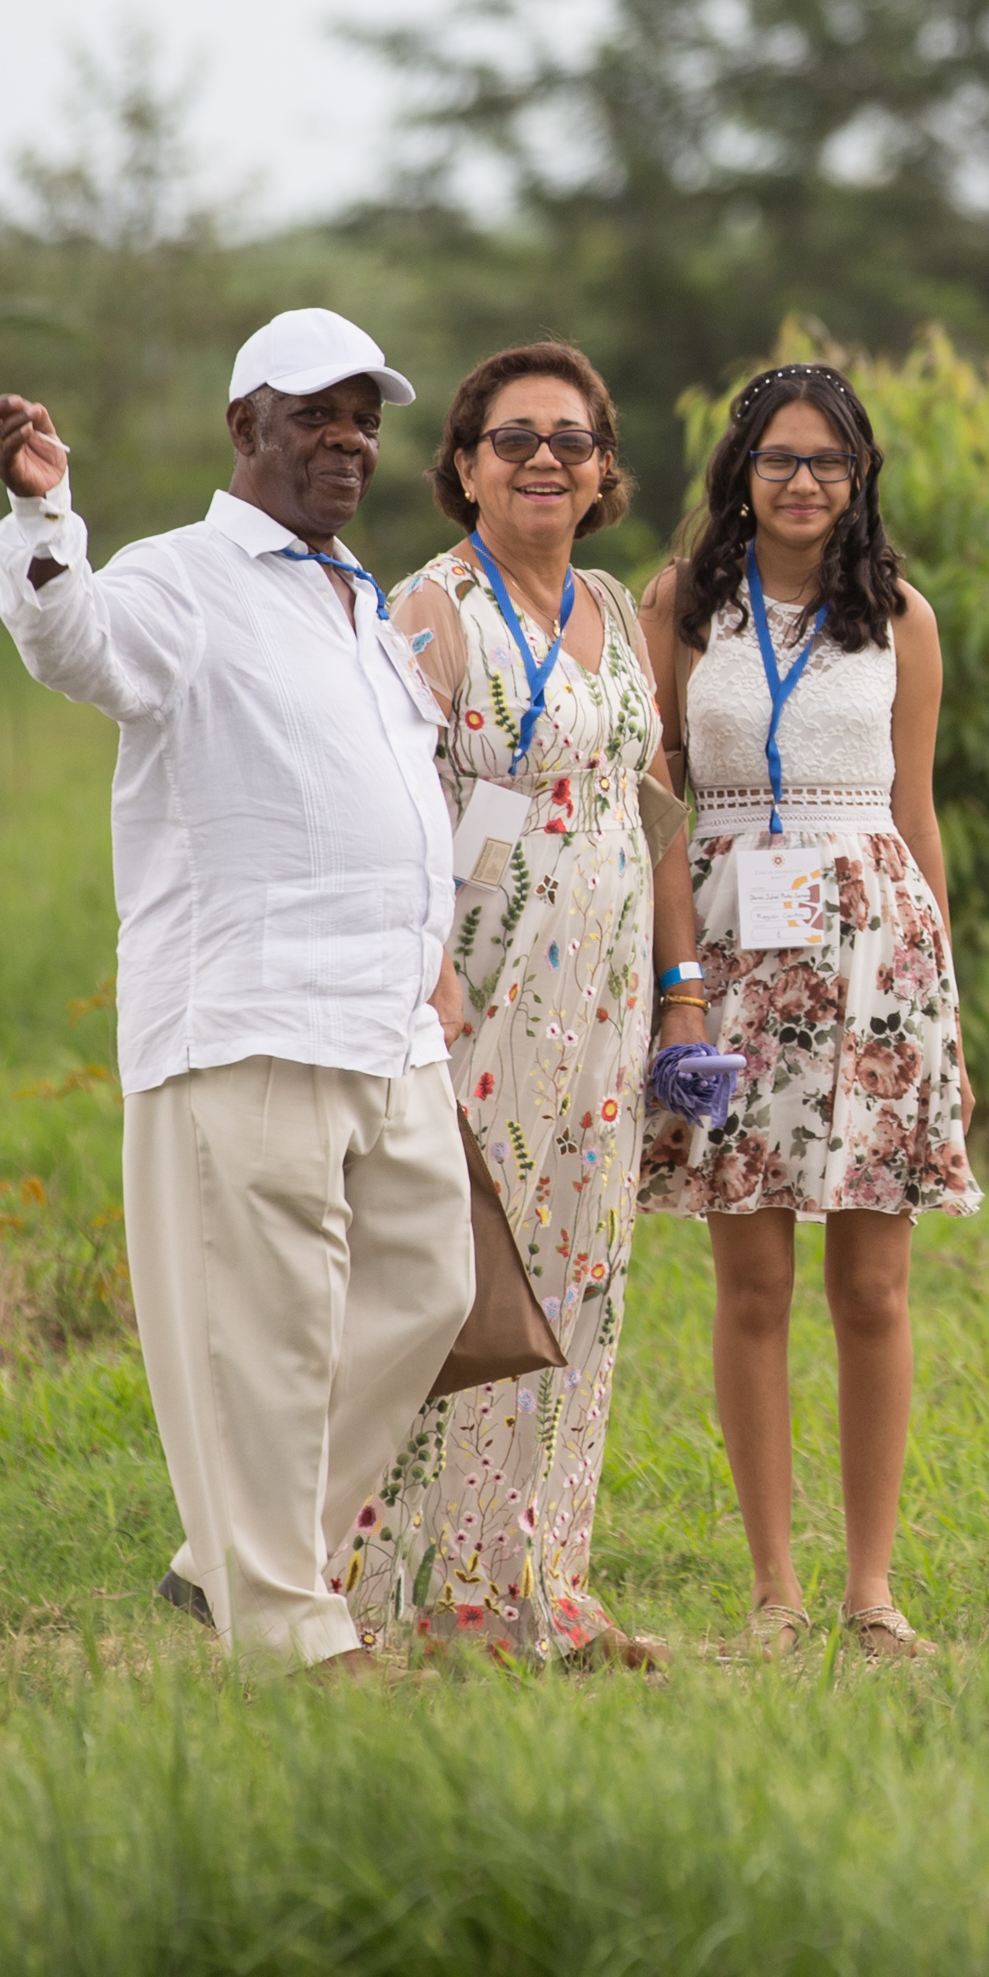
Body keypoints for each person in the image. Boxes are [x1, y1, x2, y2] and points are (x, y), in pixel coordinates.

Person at [0, 309, 472, 1676]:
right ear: (246, 424)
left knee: (429, 1288)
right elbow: (76, 640)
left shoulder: (356, 593)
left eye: (366, 415)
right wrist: (44, 514)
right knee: (262, 1336)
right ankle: (290, 1632)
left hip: (388, 1019)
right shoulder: (182, 576)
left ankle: (227, 1561)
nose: (350, 438)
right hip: (249, 1018)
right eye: (321, 411)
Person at [338, 342, 719, 1670]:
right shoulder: (429, 611)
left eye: (570, 437)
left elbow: (653, 810)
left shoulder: (617, 610)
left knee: (580, 1281)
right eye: (513, 438)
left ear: (607, 467)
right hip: (475, 991)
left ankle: (544, 1581)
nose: (544, 458)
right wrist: (418, 973)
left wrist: (684, 994)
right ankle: (410, 1591)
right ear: (462, 465)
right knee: (456, 1277)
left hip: (609, 999)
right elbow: (386, 816)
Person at [636, 360, 978, 1661]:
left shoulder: (900, 615)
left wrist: (944, 990)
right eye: (779, 459)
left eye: (828, 462)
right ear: (741, 471)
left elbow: (916, 806)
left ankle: (872, 1590)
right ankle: (774, 1589)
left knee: (876, 1287)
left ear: (860, 476)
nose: (802, 482)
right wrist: (673, 977)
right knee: (753, 1275)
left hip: (875, 957)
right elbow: (656, 794)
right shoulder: (683, 605)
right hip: (723, 944)